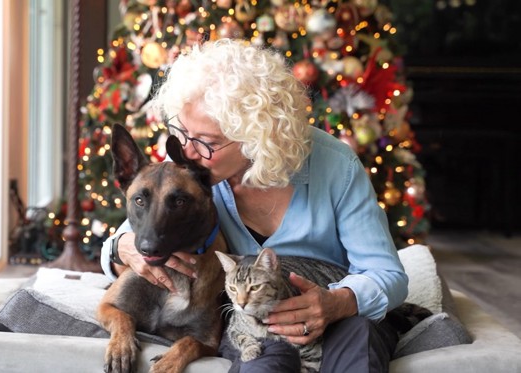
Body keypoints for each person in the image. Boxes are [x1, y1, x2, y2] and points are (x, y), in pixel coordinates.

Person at [100, 38, 408, 372]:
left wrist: (337, 303)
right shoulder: (194, 171)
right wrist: (122, 247)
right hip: (252, 320)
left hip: (335, 311)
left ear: (255, 136)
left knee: (359, 342)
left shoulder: (336, 167)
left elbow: (388, 274)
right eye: (182, 132)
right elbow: (134, 234)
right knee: (259, 361)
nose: (186, 152)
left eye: (207, 142)